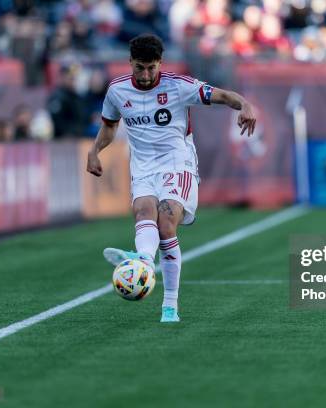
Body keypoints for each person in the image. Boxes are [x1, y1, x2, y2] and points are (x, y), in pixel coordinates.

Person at [86, 34, 256, 323]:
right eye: (140, 67)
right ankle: (142, 261)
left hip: (178, 163)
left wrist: (246, 106)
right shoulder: (116, 91)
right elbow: (110, 126)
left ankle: (169, 305)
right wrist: (94, 151)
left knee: (166, 226)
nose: (146, 74)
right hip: (142, 166)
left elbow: (224, 96)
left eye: (152, 67)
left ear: (160, 64)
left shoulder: (179, 86)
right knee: (143, 211)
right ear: (130, 63)